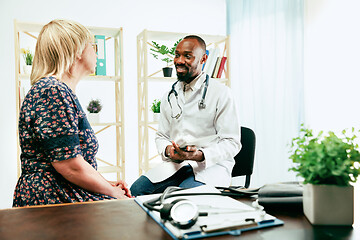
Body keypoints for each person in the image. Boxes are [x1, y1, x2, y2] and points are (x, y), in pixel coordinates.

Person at [13, 19, 131, 207]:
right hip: (53, 199)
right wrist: (113, 193)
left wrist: (106, 184)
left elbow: (72, 163)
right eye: (93, 46)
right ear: (77, 51)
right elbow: (69, 165)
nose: (97, 53)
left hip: (61, 192)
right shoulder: (52, 91)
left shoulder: (56, 91)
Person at [130, 35, 241, 196]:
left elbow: (232, 142)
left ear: (203, 58)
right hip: (178, 164)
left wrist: (200, 155)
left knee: (180, 198)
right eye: (177, 55)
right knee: (136, 191)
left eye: (187, 56)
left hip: (211, 166)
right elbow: (161, 135)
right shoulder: (170, 95)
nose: (179, 61)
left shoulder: (221, 93)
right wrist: (168, 151)